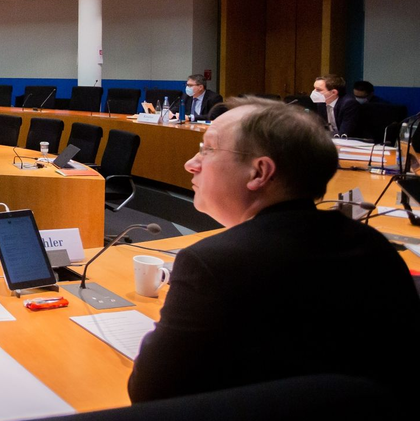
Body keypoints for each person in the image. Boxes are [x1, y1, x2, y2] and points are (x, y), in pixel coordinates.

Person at [128, 97, 420, 402]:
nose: (192, 163)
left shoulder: (213, 263)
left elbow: (150, 392)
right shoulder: (373, 247)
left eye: (208, 149)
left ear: (259, 172)